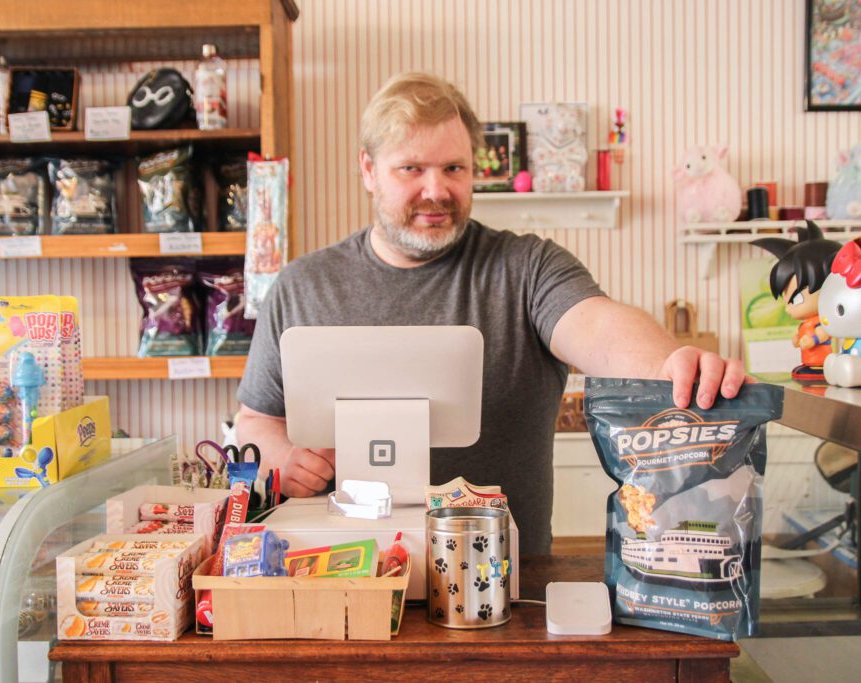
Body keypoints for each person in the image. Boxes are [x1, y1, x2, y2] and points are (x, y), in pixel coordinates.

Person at [236, 72, 746, 555]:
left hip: (505, 589)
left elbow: (596, 323)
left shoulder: (527, 266)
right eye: (412, 168)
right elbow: (256, 419)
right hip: (345, 575)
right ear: (368, 170)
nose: (436, 191)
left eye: (454, 169)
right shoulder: (302, 286)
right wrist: (283, 459)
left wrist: (667, 362)